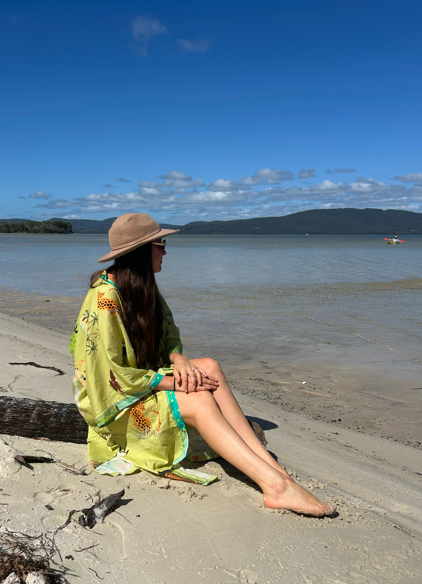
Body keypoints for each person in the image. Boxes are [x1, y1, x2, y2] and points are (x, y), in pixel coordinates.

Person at [70, 213, 335, 517]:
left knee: (209, 366)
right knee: (199, 400)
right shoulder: (104, 297)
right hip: (115, 402)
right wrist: (177, 382)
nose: (165, 251)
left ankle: (272, 468)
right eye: (160, 244)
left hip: (139, 382)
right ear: (143, 251)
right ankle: (275, 488)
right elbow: (110, 375)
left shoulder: (141, 286)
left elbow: (167, 333)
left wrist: (180, 360)